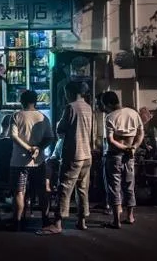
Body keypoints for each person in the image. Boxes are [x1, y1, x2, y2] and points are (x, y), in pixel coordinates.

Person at [38, 81, 92, 235]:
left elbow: (61, 130)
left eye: (65, 93)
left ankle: (58, 223)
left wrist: (57, 125)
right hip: (87, 154)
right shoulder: (88, 108)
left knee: (64, 188)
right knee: (82, 189)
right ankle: (82, 220)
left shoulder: (70, 107)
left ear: (70, 92)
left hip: (73, 153)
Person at [10, 90, 54, 231]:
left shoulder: (16, 116)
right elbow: (50, 137)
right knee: (42, 191)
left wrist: (28, 148)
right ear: (35, 101)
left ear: (21, 101)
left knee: (19, 192)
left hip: (18, 161)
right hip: (38, 161)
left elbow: (13, 136)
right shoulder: (43, 117)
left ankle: (17, 222)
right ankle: (45, 220)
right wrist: (38, 148)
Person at [100, 91, 144, 229]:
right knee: (129, 186)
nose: (104, 108)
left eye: (104, 105)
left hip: (114, 156)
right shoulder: (133, 113)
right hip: (129, 156)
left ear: (108, 104)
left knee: (114, 187)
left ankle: (116, 220)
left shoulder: (110, 117)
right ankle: (130, 216)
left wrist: (124, 148)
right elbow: (141, 132)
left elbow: (111, 140)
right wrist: (133, 147)